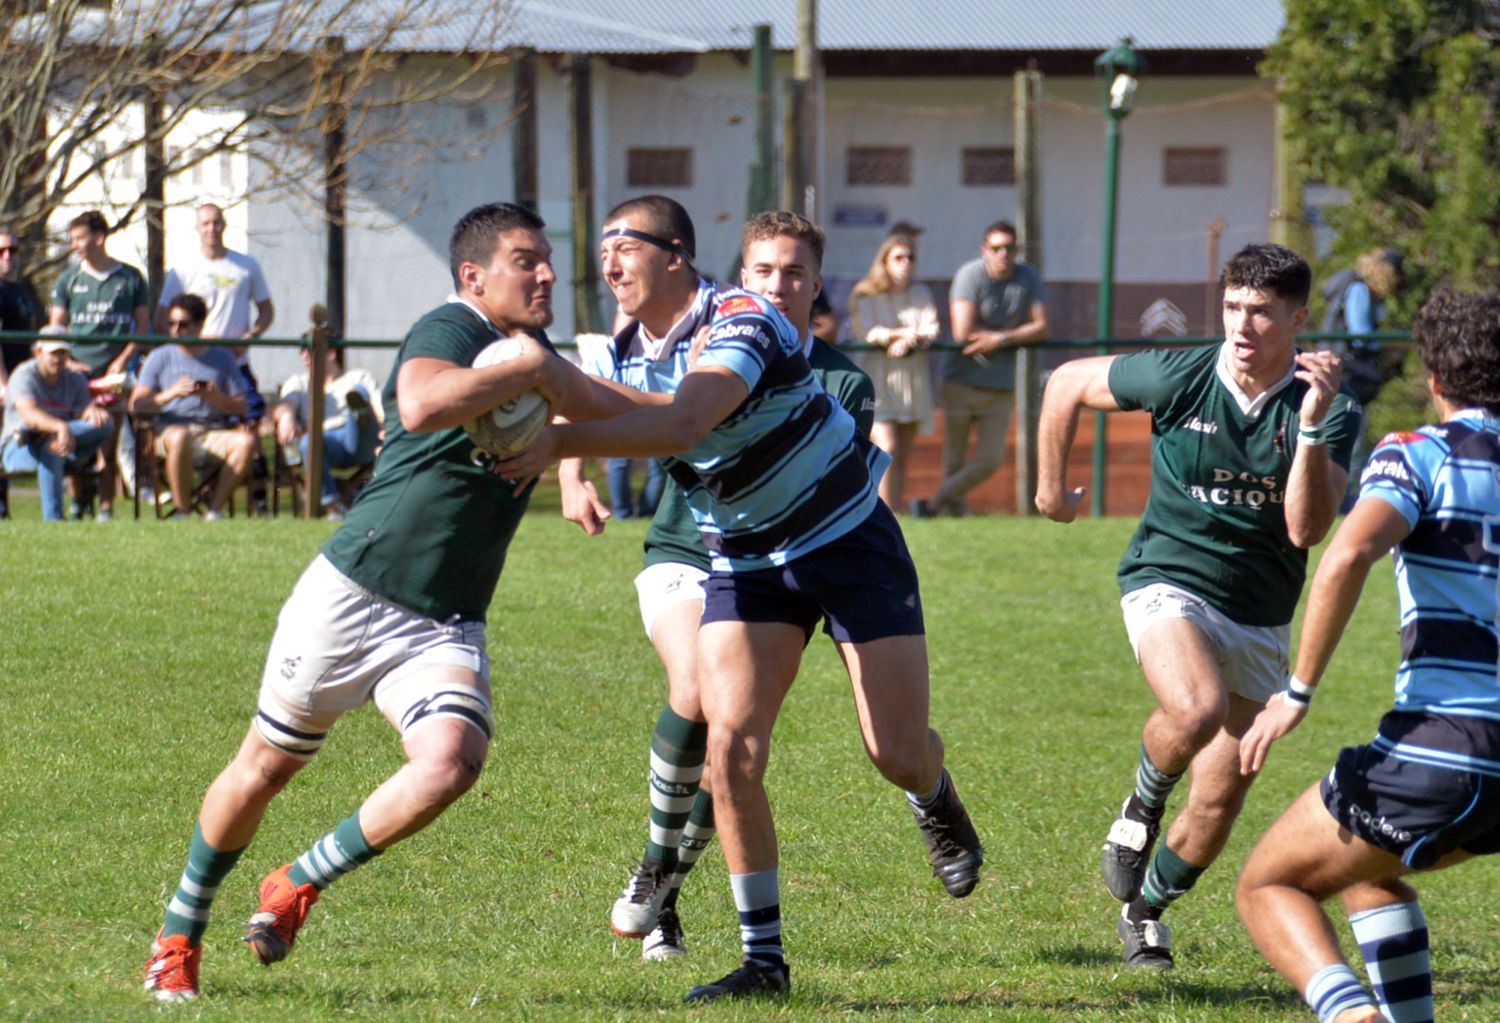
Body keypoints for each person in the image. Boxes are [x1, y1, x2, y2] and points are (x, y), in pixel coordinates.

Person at [140, 202, 640, 1002]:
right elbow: (420, 403)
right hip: (354, 594)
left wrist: (704, 413)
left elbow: (603, 404)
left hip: (444, 616)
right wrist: (534, 374)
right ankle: (177, 931)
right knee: (265, 766)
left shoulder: (532, 352)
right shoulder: (452, 328)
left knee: (449, 763)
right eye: (526, 259)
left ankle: (296, 883)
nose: (547, 271)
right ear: (475, 276)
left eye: (547, 258)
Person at [501, 203, 983, 1004]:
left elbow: (686, 418)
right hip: (749, 561)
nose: (610, 265)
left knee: (894, 748)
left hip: (849, 541)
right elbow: (595, 398)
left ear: (679, 259)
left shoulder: (743, 319)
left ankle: (933, 794)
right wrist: (548, 429)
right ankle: (765, 960)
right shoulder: (626, 346)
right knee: (730, 750)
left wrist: (556, 428)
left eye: (628, 248)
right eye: (605, 251)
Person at [561, 199, 877, 965]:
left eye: (794, 272)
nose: (778, 285)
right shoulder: (668, 334)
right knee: (698, 694)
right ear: (740, 273)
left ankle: (662, 881)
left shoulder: (841, 379)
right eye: (763, 269)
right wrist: (572, 471)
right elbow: (592, 392)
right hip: (685, 546)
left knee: (736, 746)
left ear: (817, 282)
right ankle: (659, 873)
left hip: (778, 561)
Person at [1034, 243, 1360, 970]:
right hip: (1167, 579)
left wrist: (1310, 424)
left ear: (1299, 318)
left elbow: (1306, 529)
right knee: (1196, 706)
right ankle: (1141, 806)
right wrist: (1050, 491)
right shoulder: (1181, 372)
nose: (1243, 325)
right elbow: (1063, 383)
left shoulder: (1332, 409)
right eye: (1233, 306)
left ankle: (1144, 911)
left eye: (1263, 312)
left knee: (1218, 801)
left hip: (1261, 615)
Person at [1235, 289, 1500, 1023]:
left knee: (1270, 883)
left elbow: (1348, 550)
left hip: (1447, 751)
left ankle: (1355, 1016)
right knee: (1368, 870)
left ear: (1435, 378)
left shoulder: (1420, 452)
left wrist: (1296, 689)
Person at [911, 219, 1047, 518]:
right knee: (954, 460)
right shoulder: (969, 275)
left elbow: (1041, 326)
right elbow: (962, 331)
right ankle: (954, 517)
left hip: (1000, 384)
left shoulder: (1028, 276)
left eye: (1009, 248)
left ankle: (931, 505)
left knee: (990, 459)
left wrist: (1001, 339)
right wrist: (1004, 335)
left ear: (1017, 250)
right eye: (996, 248)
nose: (1003, 254)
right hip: (959, 380)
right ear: (985, 250)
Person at [48, 210, 150, 520]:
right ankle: (78, 503)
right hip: (76, 375)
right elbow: (56, 329)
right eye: (72, 238)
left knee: (110, 441)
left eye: (80, 238)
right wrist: (71, 362)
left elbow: (142, 329)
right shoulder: (68, 280)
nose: (75, 245)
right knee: (76, 440)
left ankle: (106, 509)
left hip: (114, 376)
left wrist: (120, 362)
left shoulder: (130, 278)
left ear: (99, 237)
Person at [129, 295, 256, 520]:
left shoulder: (223, 358)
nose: (176, 330)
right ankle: (183, 512)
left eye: (183, 324)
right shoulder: (159, 357)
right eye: (171, 324)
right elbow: (136, 405)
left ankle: (215, 512)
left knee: (246, 442)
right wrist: (171, 394)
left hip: (211, 432)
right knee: (180, 436)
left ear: (199, 325)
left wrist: (214, 397)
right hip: (168, 433)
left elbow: (242, 408)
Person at [158, 203, 275, 429]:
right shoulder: (182, 269)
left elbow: (267, 310)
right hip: (199, 365)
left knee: (249, 423)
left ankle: (260, 464)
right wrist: (194, 343)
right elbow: (161, 320)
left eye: (216, 222)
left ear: (224, 225)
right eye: (206, 223)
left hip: (236, 363)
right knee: (202, 426)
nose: (212, 228)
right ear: (197, 228)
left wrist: (250, 335)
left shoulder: (247, 266)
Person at [849, 231, 938, 510]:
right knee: (886, 447)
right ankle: (879, 515)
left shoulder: (921, 293)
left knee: (902, 455)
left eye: (910, 257)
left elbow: (931, 329)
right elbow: (868, 330)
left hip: (911, 382)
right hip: (878, 383)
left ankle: (894, 517)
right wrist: (900, 336)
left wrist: (909, 339)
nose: (905, 263)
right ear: (884, 261)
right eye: (898, 257)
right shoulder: (866, 293)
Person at [1319, 247, 1406, 510]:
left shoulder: (1347, 285)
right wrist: (1386, 347)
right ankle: (1344, 503)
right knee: (1353, 438)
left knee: (1336, 435)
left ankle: (1335, 500)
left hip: (1337, 372)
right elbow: (1361, 335)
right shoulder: (1358, 288)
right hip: (1350, 375)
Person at [0, 332, 115, 521]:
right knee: (53, 447)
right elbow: (29, 414)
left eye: (63, 352)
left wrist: (90, 412)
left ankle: (83, 502)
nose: (59, 358)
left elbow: (80, 414)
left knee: (104, 423)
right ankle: (54, 520)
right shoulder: (24, 374)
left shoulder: (75, 378)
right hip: (20, 446)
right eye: (53, 353)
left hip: (68, 443)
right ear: (38, 353)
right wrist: (60, 427)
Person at [272, 340, 384, 517]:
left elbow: (381, 410)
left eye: (311, 353)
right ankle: (332, 505)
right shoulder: (299, 383)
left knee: (359, 391)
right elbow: (284, 405)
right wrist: (286, 416)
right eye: (303, 354)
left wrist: (388, 429)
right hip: (324, 443)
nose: (305, 358)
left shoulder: (359, 376)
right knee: (310, 442)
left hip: (360, 438)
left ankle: (358, 411)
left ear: (331, 354)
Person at [0, 225, 47, 519]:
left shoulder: (22, 290)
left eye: (13, 250)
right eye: (2, 250)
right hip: (6, 382)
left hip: (23, 379)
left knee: (8, 441)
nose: (8, 256)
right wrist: (3, 383)